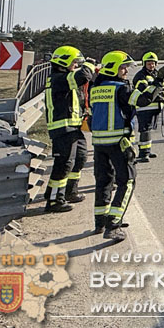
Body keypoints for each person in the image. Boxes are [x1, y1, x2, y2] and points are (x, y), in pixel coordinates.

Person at [90, 50, 164, 241]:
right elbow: (143, 100)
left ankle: (100, 221)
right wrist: (158, 81)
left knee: (103, 182)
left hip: (99, 144)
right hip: (118, 143)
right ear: (112, 68)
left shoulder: (96, 88)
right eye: (123, 67)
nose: (126, 71)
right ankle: (113, 224)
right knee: (127, 181)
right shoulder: (120, 89)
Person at [43, 46, 96, 213]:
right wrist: (88, 65)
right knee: (63, 164)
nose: (76, 65)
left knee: (80, 158)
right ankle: (53, 201)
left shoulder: (65, 76)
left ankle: (70, 192)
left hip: (73, 127)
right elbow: (83, 76)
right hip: (61, 128)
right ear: (64, 61)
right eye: (74, 62)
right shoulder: (58, 78)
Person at [132, 52, 164, 162]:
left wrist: (162, 94)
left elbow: (163, 88)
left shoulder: (157, 74)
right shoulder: (140, 76)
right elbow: (144, 90)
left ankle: (147, 150)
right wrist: (156, 94)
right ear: (144, 64)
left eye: (153, 63)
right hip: (144, 108)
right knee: (144, 130)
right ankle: (143, 154)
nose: (151, 66)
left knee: (149, 130)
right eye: (149, 64)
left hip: (155, 107)